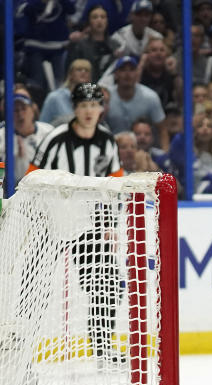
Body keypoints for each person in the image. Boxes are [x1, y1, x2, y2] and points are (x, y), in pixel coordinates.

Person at [28, 83, 124, 366]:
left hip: (88, 226)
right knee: (33, 289)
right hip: (51, 224)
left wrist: (110, 223)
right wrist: (38, 218)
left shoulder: (107, 141)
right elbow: (31, 179)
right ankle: (21, 356)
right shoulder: (56, 139)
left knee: (106, 283)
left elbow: (114, 185)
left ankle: (103, 349)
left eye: (94, 106)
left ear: (101, 109)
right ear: (75, 109)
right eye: (83, 106)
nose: (89, 112)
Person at [0, 89, 53, 186]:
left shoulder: (49, 131)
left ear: (33, 110)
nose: (20, 114)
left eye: (24, 109)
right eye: (16, 110)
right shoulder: (2, 136)